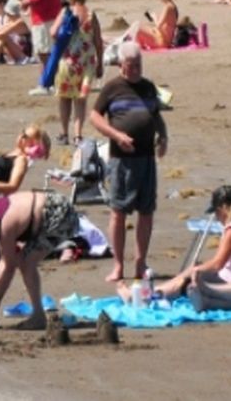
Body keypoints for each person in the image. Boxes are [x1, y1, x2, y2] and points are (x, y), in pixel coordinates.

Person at [88, 41, 167, 283]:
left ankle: (141, 263)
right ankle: (118, 265)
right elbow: (94, 116)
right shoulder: (112, 88)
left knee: (146, 211)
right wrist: (116, 135)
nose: (135, 70)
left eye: (138, 65)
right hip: (121, 160)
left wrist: (163, 136)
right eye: (131, 65)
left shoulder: (148, 87)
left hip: (146, 158)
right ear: (121, 65)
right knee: (118, 212)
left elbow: (155, 115)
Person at [0, 188, 86, 330]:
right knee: (22, 260)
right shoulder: (0, 208)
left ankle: (38, 316)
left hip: (59, 215)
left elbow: (8, 266)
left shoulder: (5, 226)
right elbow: (6, 262)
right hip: (55, 204)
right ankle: (35, 313)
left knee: (26, 263)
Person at [153, 184, 231, 311]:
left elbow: (217, 264)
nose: (217, 218)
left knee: (190, 274)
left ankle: (155, 294)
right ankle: (159, 292)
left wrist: (196, 270)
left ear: (222, 209)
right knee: (194, 272)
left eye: (216, 213)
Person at [52, 0, 102, 145]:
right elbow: (98, 41)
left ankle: (64, 133)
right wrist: (100, 63)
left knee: (64, 99)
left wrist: (62, 41)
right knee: (80, 100)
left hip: (67, 62)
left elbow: (53, 32)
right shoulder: (91, 15)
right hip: (86, 63)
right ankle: (78, 135)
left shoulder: (66, 13)